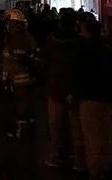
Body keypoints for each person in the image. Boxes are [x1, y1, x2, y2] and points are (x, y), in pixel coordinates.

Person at [75, 18, 112, 180]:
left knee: (91, 135)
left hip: (90, 97)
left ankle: (95, 169)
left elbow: (78, 74)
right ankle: (108, 165)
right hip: (107, 98)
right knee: (106, 132)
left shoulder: (84, 50)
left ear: (87, 30)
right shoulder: (109, 49)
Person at [43, 10, 86, 171]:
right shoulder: (80, 43)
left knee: (55, 126)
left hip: (55, 88)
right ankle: (79, 159)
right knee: (76, 127)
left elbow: (45, 64)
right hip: (75, 90)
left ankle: (54, 155)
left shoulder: (52, 42)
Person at [2, 8, 38, 138]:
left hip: (19, 80)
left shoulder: (15, 40)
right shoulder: (27, 38)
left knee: (21, 107)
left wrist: (5, 78)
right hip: (25, 79)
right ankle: (28, 130)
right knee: (26, 106)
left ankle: (22, 132)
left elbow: (9, 62)